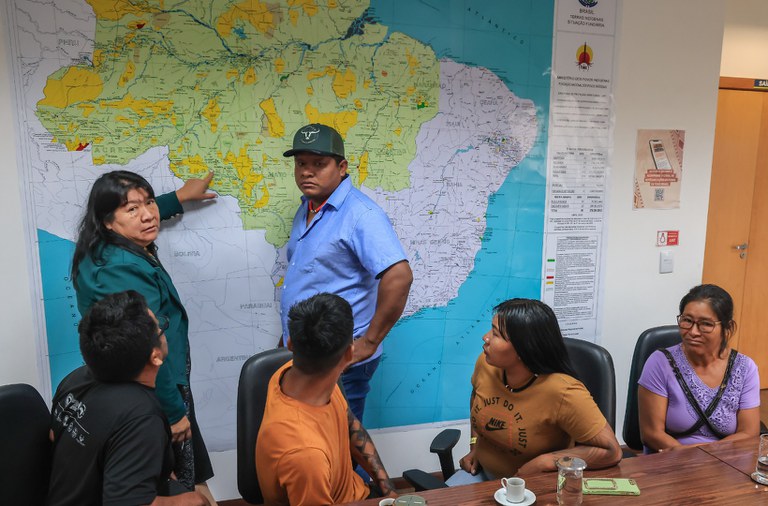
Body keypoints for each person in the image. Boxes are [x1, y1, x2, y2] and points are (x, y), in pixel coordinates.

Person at [70, 170, 218, 504]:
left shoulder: (105, 246)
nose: (148, 215)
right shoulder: (120, 267)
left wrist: (176, 199)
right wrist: (174, 412)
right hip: (156, 385)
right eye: (132, 210)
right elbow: (149, 346)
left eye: (148, 202)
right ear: (108, 221)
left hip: (144, 381)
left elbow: (141, 214)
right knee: (182, 482)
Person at [280, 123, 413, 424]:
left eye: (318, 164)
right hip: (308, 351)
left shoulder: (361, 215)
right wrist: (287, 334)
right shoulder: (309, 206)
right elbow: (309, 277)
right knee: (317, 437)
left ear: (341, 167)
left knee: (343, 443)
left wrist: (368, 342)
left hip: (341, 358)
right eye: (301, 163)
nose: (306, 172)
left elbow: (399, 275)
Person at [47, 290, 210, 506]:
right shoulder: (141, 418)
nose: (162, 329)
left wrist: (139, 461)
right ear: (155, 356)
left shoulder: (75, 379)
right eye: (160, 329)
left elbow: (53, 435)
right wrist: (194, 500)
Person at [449, 298, 621, 484]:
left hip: (533, 485)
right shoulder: (486, 364)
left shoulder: (563, 392)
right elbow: (477, 397)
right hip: (482, 477)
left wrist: (544, 462)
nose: (486, 337)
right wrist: (475, 445)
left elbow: (611, 451)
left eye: (496, 334)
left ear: (523, 349)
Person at [256, 293, 397, 505]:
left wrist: (388, 490)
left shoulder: (289, 373)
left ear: (291, 343)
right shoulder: (305, 455)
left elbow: (350, 424)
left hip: (357, 493)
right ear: (349, 355)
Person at [638, 284, 760, 452]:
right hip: (670, 462)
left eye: (706, 324)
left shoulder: (745, 368)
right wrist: (694, 455)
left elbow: (749, 433)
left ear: (728, 328)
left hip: (726, 463)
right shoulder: (660, 362)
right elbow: (651, 434)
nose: (693, 332)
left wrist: (704, 453)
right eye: (687, 320)